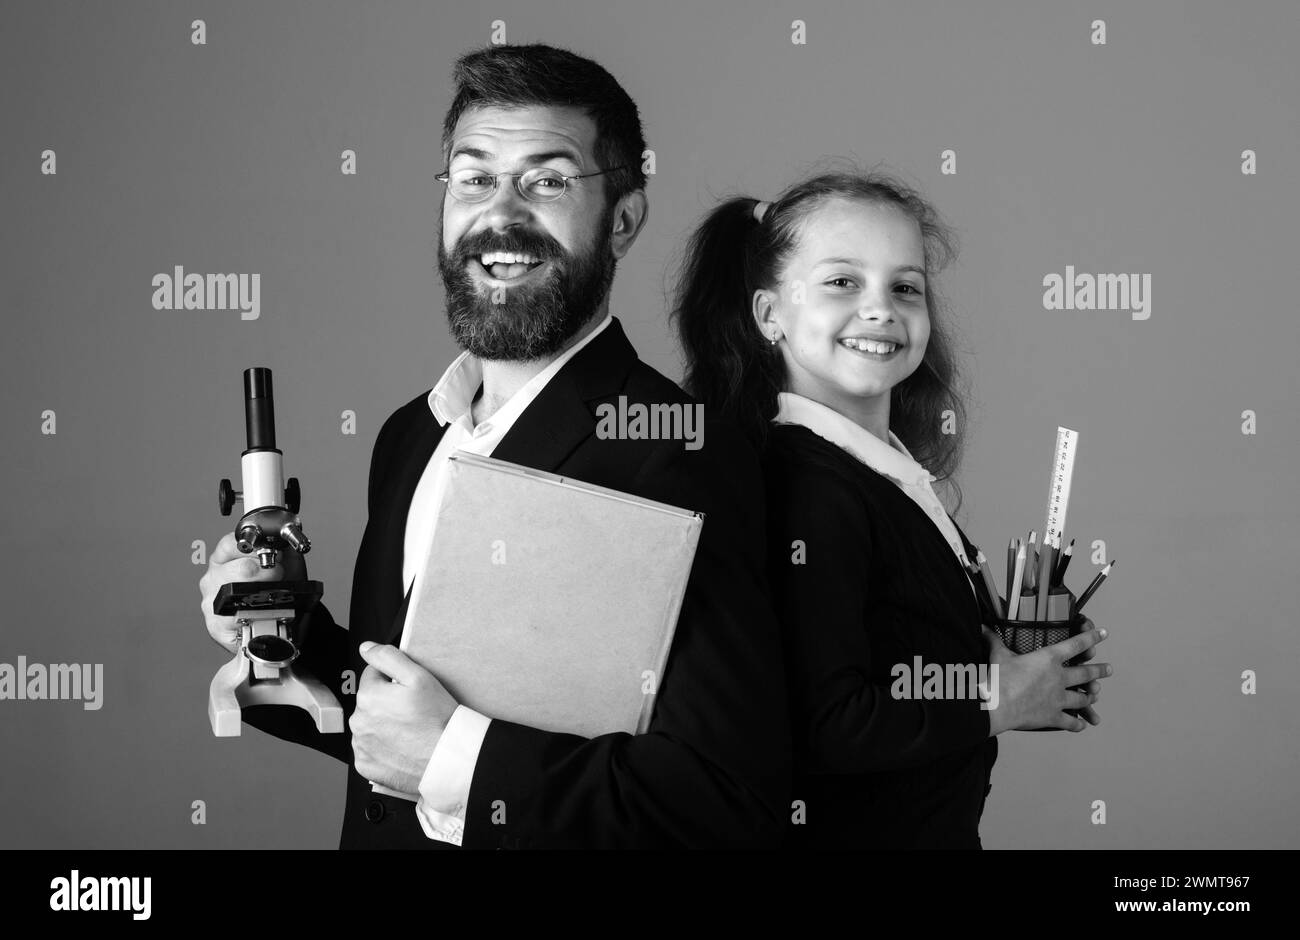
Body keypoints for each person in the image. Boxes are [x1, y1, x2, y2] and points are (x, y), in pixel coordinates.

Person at [199, 43, 790, 849]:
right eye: (474, 177)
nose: (501, 214)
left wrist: (457, 760)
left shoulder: (676, 451)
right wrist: (288, 647)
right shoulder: (410, 435)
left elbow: (724, 802)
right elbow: (390, 721)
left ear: (623, 220)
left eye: (547, 180)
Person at [671, 169, 1113, 848]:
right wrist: (997, 699)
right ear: (769, 315)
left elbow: (896, 657)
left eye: (904, 287)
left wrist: (1003, 660)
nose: (881, 309)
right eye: (842, 282)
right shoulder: (810, 491)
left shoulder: (881, 473)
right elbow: (830, 722)